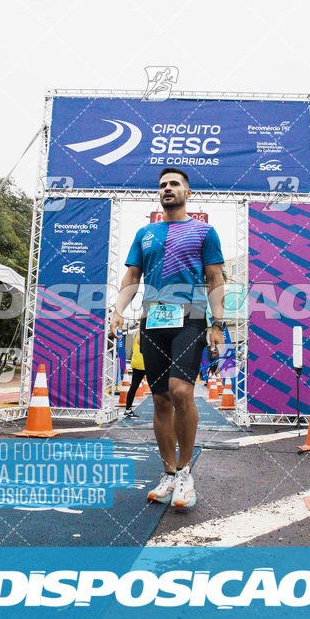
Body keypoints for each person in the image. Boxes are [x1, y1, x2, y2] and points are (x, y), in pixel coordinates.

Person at [109, 168, 225, 509]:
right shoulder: (146, 233)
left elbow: (215, 277)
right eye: (162, 185)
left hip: (190, 318)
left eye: (174, 184)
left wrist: (218, 323)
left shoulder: (204, 231)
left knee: (181, 390)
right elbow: (132, 275)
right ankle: (169, 474)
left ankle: (186, 472)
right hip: (152, 319)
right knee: (159, 400)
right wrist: (118, 311)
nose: (167, 189)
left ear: (187, 192)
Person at [124, 327, 146, 418]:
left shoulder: (136, 333)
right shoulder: (147, 333)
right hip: (146, 362)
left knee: (133, 386)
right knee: (157, 387)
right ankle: (162, 409)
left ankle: (128, 409)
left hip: (136, 362)